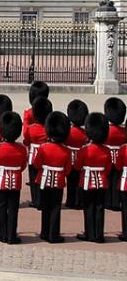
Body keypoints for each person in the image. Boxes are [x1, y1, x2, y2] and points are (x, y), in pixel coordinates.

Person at [33, 111, 72, 244]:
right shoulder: (66, 151)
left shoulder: (43, 148)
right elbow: (67, 170)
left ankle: (44, 232)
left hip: (44, 180)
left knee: (45, 207)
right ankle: (54, 234)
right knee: (56, 208)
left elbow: (36, 164)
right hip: (59, 181)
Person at [0, 111, 26, 244]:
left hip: (0, 181)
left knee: (2, 207)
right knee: (13, 209)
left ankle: (3, 233)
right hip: (15, 181)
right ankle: (11, 235)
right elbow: (22, 166)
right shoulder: (21, 149)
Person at [75, 112, 112, 243]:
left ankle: (89, 233)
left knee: (89, 207)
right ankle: (99, 234)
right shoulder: (107, 150)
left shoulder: (85, 150)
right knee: (100, 208)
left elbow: (78, 166)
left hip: (87, 181)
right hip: (102, 181)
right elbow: (108, 169)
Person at [24, 97, 52, 210]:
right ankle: (44, 200)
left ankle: (35, 200)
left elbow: (26, 141)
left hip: (33, 154)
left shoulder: (31, 129)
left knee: (34, 178)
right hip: (47, 155)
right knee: (44, 178)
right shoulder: (48, 128)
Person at [103, 97, 126, 211]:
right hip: (120, 157)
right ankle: (116, 201)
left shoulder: (107, 130)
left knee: (108, 179)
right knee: (117, 179)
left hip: (107, 156)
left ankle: (107, 201)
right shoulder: (123, 132)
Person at [65, 100, 89, 209]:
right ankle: (80, 201)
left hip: (70, 158)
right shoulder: (86, 133)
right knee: (80, 181)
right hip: (82, 159)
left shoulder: (68, 132)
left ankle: (70, 201)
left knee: (71, 182)